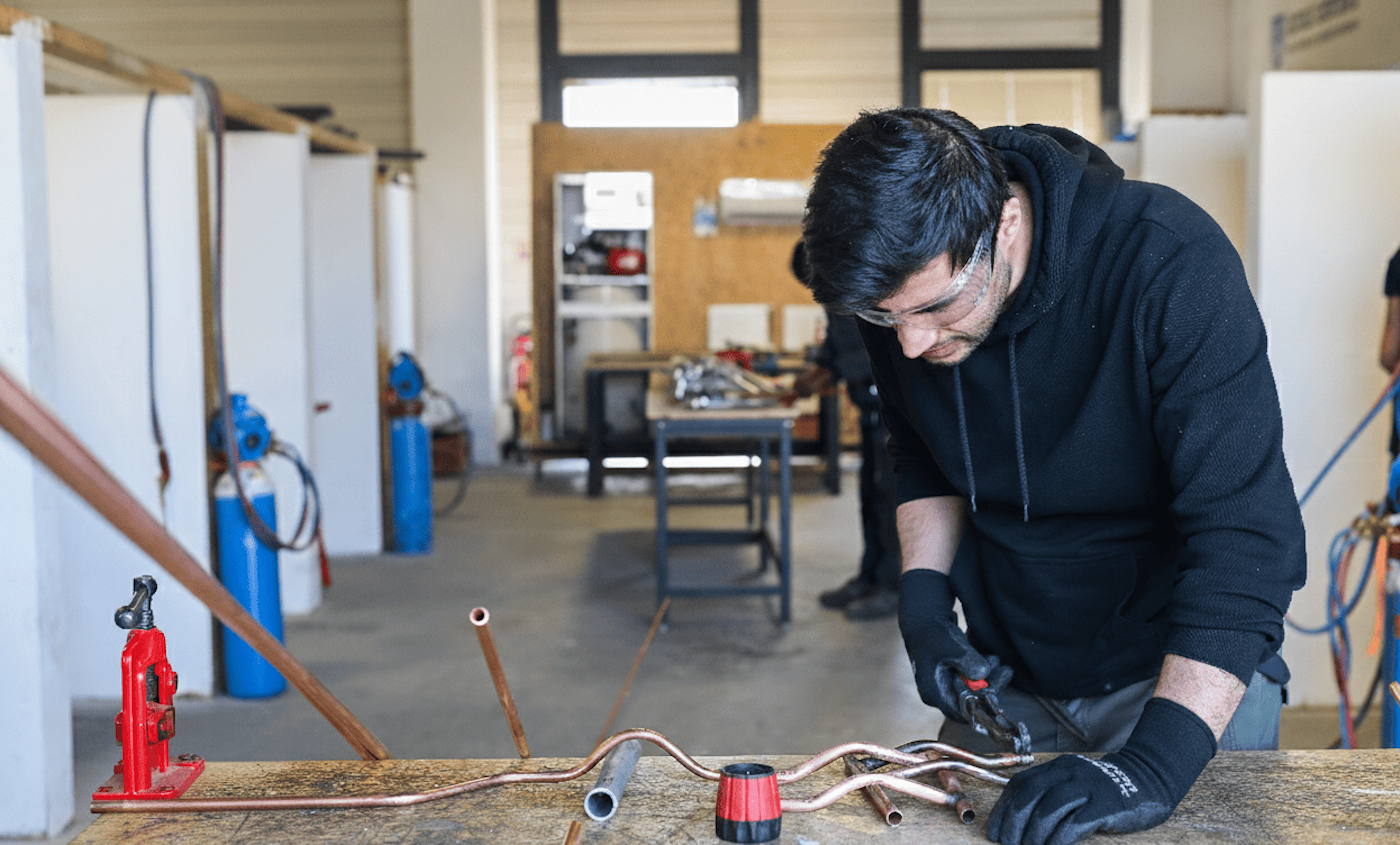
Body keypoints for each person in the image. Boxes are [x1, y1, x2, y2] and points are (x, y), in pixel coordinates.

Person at [800, 108, 1306, 845]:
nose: (910, 343)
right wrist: (924, 602)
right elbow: (918, 451)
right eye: (885, 319)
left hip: (1176, 678)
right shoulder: (904, 303)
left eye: (937, 308)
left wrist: (1153, 769)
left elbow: (1247, 545)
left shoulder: (1170, 263)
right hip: (1013, 683)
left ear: (1004, 224)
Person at [785, 242, 901, 620]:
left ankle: (892, 588)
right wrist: (807, 381)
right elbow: (835, 352)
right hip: (871, 413)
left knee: (890, 502)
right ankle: (868, 577)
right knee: (869, 498)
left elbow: (854, 355)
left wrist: (821, 376)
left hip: (894, 415)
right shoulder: (839, 300)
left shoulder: (865, 290)